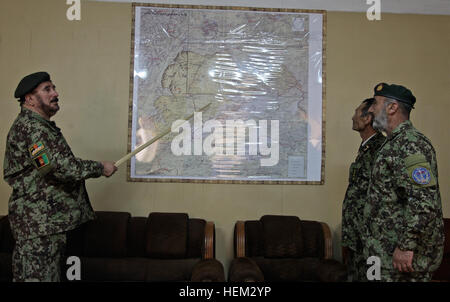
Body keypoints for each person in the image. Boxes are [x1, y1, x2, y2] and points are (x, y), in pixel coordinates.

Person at [3, 71, 118, 281]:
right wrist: (99, 167)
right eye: (47, 89)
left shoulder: (39, 127)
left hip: (45, 225)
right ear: (29, 98)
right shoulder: (32, 128)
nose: (55, 93)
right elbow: (56, 168)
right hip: (39, 227)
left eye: (54, 88)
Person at [362, 82, 444, 281]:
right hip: (383, 253)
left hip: (401, 259)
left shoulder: (411, 143)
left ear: (392, 107)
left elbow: (423, 202)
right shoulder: (392, 143)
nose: (371, 109)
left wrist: (406, 246)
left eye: (375, 103)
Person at [341, 98, 385, 281]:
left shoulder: (380, 149)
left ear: (367, 118)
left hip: (371, 240)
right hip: (357, 237)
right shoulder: (366, 148)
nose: (353, 117)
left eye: (356, 112)